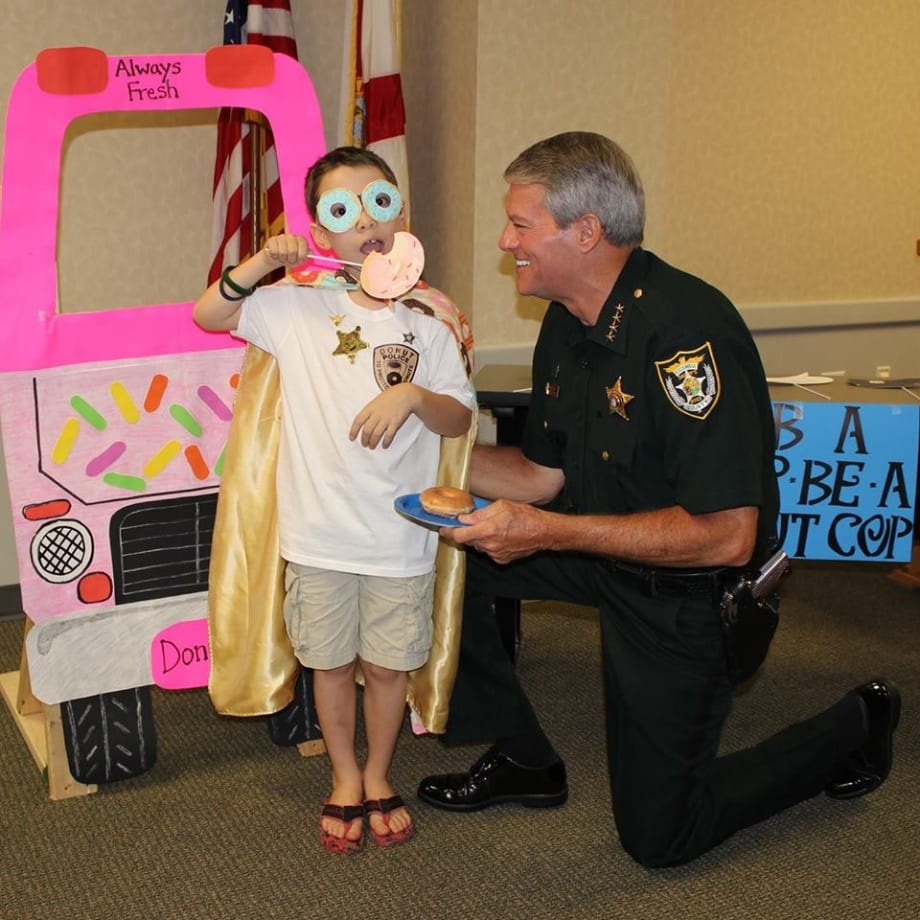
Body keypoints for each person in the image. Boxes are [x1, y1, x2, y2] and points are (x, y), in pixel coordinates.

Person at [416, 131, 901, 868]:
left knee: (661, 837)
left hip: (695, 592)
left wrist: (546, 533)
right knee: (428, 556)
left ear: (587, 232)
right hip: (602, 550)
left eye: (521, 224)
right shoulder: (565, 323)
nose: (504, 239)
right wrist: (419, 455)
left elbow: (726, 537)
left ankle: (855, 725)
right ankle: (524, 756)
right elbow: (540, 479)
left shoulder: (685, 333)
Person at [194, 146, 476, 855]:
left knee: (387, 668)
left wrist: (413, 396)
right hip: (320, 536)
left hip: (400, 538)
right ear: (324, 232)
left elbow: (460, 419)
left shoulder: (430, 322)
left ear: (399, 213)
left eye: (380, 202)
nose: (367, 224)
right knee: (330, 664)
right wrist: (261, 263)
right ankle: (344, 776)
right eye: (343, 211)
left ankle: (379, 772)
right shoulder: (293, 310)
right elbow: (208, 315)